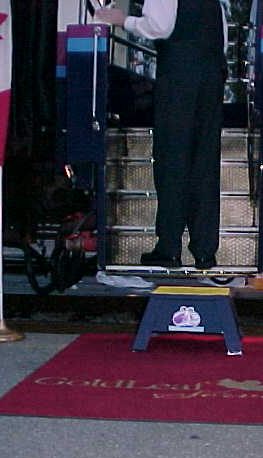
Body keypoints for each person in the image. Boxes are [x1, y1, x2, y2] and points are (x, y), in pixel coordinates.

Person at [95, 0, 227, 270]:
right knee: (204, 164)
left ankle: (169, 247)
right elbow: (221, 36)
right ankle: (205, 250)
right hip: (212, 74)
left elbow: (159, 26)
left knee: (172, 160)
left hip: (179, 73)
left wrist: (122, 20)